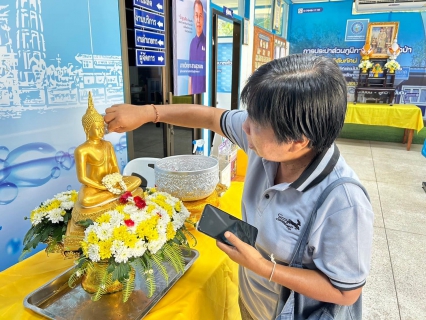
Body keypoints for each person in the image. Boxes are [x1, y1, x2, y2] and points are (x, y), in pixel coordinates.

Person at [104, 54, 374, 319]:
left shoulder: (343, 202)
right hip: (251, 303)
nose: (243, 126)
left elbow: (344, 292)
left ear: (297, 141)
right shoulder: (266, 144)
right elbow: (211, 118)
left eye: (255, 125)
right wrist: (149, 113)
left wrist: (263, 268)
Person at [188, 0, 206, 94]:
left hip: (204, 97)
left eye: (200, 15)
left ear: (203, 18)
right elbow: (190, 76)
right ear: (193, 18)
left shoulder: (207, 43)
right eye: (196, 15)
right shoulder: (192, 44)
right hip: (194, 98)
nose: (198, 20)